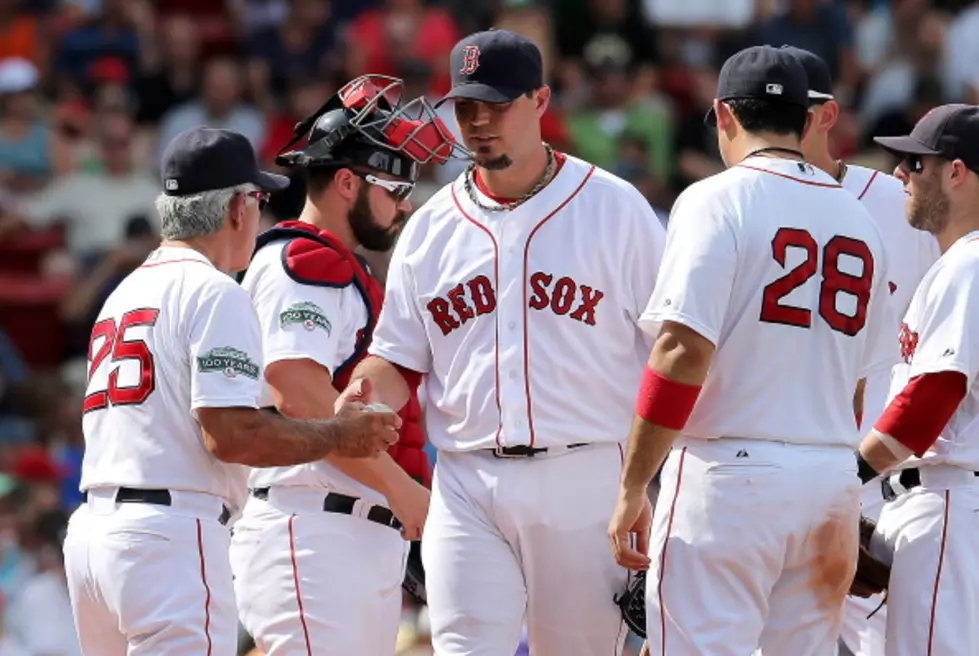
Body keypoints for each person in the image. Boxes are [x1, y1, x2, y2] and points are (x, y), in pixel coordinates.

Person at [335, 29, 667, 655]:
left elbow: (669, 355)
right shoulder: (431, 225)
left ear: (541, 101)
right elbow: (397, 358)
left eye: (496, 105)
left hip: (587, 473)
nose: (480, 122)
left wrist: (651, 484)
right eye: (466, 108)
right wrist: (363, 390)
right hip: (466, 483)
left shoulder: (615, 208)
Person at [62, 127, 402, 656]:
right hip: (166, 533)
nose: (262, 212)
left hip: (93, 537)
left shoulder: (124, 290)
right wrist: (338, 433)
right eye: (259, 198)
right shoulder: (213, 290)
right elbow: (232, 435)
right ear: (239, 208)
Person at [607, 45, 895, 655]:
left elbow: (681, 350)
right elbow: (859, 385)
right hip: (828, 477)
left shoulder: (716, 199)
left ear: (723, 116)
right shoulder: (860, 218)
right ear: (808, 117)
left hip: (730, 477)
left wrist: (634, 484)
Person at [229, 75, 458, 655]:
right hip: (314, 525)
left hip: (346, 531)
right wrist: (403, 492)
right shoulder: (304, 260)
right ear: (348, 182)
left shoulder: (338, 266)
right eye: (393, 187)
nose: (404, 204)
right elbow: (299, 396)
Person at [781, 45, 940, 656]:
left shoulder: (903, 207)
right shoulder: (727, 205)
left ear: (825, 116)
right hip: (768, 478)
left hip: (881, 487)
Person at [856, 103, 979, 656]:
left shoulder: (970, 265)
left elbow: (930, 401)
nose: (900, 174)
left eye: (916, 162)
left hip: (951, 506)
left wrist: (840, 480)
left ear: (957, 172)